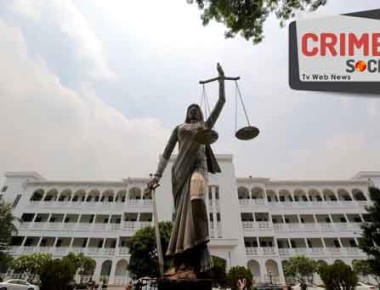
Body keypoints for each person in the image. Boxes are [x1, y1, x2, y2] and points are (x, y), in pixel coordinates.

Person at [148, 63, 226, 279]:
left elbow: (221, 103)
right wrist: (156, 176)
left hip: (198, 169)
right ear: (186, 113)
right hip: (179, 174)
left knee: (196, 199)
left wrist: (221, 81)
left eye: (196, 108)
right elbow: (166, 152)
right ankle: (182, 262)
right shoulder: (179, 128)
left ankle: (200, 244)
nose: (193, 109)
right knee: (182, 217)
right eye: (190, 108)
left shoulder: (205, 126)